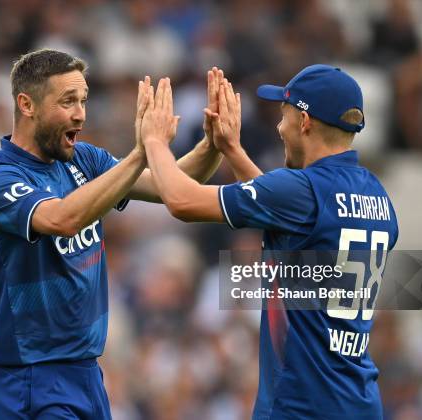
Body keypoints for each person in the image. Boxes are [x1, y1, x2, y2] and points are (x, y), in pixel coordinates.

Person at [0, 49, 225, 419]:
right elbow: (62, 219)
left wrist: (213, 143)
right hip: (29, 378)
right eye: (67, 101)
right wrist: (142, 152)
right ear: (27, 104)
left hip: (85, 372)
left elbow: (173, 185)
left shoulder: (84, 160)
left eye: (83, 100)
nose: (80, 114)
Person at [141, 65, 399, 419]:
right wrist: (232, 150)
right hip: (358, 400)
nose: (280, 128)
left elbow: (181, 201)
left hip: (302, 404)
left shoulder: (302, 189)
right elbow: (288, 213)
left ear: (305, 122)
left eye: (284, 115)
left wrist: (153, 141)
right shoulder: (376, 195)